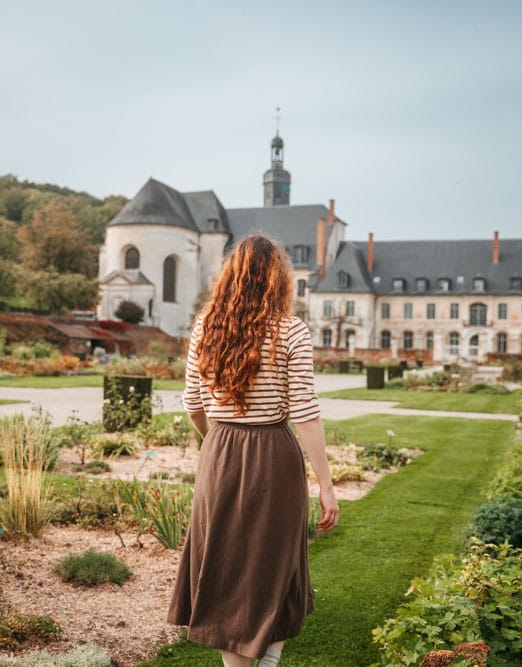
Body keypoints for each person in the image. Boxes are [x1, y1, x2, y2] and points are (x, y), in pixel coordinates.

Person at [167, 234, 339, 667]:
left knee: (226, 567)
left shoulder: (206, 325)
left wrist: (213, 443)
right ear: (278, 280)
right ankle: (261, 659)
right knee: (275, 565)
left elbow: (192, 403)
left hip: (220, 450)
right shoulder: (291, 330)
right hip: (273, 454)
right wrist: (327, 484)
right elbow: (305, 411)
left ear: (230, 276)